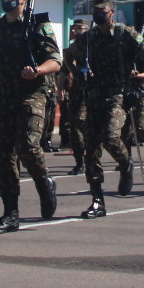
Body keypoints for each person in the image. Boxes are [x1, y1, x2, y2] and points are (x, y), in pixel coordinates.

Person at [0, 0, 61, 234]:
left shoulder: (37, 26)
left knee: (28, 147)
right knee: (4, 157)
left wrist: (38, 71)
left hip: (32, 95)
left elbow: (55, 60)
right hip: (4, 98)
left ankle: (44, 182)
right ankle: (11, 213)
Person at [70, 0, 144, 218]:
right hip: (93, 97)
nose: (98, 16)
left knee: (110, 136)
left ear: (112, 12)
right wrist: (78, 74)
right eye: (95, 13)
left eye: (102, 12)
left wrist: (141, 88)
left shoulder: (125, 34)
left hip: (117, 96)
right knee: (91, 150)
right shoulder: (88, 37)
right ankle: (97, 200)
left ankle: (125, 161)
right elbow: (67, 56)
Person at [59, 20, 90, 175]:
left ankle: (91, 155)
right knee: (73, 125)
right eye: (75, 28)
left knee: (83, 122)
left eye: (80, 28)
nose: (77, 31)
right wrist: (60, 89)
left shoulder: (94, 46)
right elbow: (64, 70)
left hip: (92, 90)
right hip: (77, 90)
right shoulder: (71, 49)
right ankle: (80, 162)